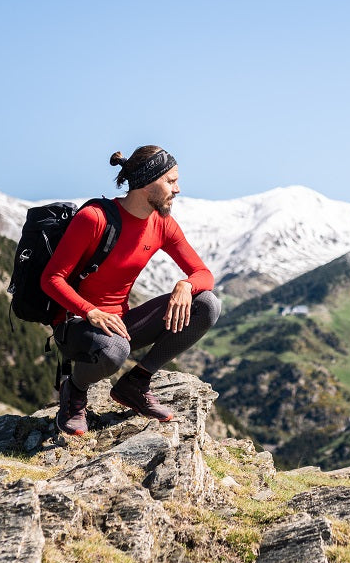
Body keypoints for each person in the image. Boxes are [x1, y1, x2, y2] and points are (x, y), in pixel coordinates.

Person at [40, 145, 220, 436]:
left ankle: (135, 383)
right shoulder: (94, 218)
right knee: (115, 349)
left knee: (208, 304)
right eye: (171, 181)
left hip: (120, 326)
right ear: (147, 183)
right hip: (76, 325)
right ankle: (74, 390)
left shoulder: (162, 224)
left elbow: (204, 274)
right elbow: (51, 279)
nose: (178, 189)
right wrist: (91, 311)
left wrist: (186, 285)